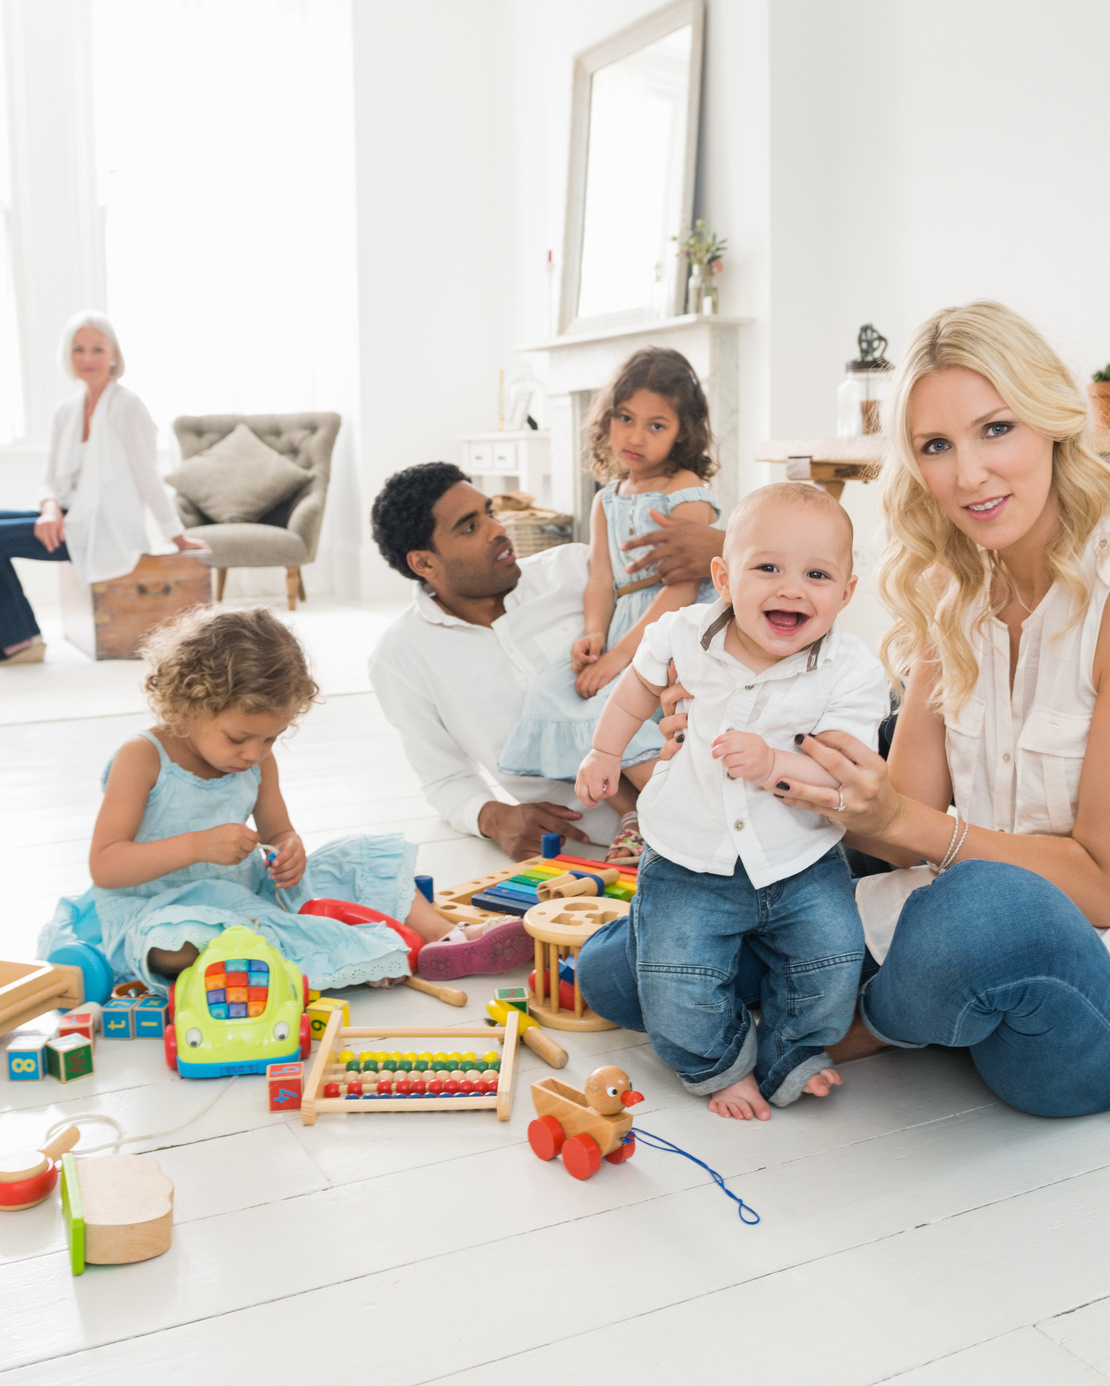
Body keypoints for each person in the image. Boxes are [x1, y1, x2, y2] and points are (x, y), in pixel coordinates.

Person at [579, 300, 1110, 1119]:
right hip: (939, 907)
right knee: (614, 970)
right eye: (937, 446)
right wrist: (751, 750)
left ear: (1052, 423)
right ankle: (859, 1002)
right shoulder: (952, 585)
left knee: (978, 913)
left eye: (996, 429)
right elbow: (895, 834)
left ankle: (857, 1026)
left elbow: (1104, 891)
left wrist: (898, 818)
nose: (968, 475)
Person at [577, 483, 886, 1118]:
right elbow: (635, 693)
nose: (791, 588)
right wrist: (606, 755)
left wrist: (775, 761)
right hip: (691, 853)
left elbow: (845, 767)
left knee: (832, 958)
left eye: (817, 574)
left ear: (847, 592)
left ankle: (794, 1050)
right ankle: (719, 1064)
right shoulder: (682, 634)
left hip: (798, 855)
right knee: (676, 975)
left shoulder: (851, 669)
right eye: (767, 567)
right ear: (724, 575)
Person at [38, 606, 460, 994]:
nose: (254, 754)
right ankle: (305, 957)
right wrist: (197, 847)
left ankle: (448, 941)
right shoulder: (144, 757)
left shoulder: (258, 760)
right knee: (178, 942)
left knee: (361, 861)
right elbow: (106, 865)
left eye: (271, 738)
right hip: (151, 908)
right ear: (190, 702)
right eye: (238, 738)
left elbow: (279, 832)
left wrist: (291, 850)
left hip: (245, 896)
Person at [367, 462, 726, 863]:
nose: (497, 529)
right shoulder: (400, 655)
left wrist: (722, 546)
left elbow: (694, 590)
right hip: (607, 853)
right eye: (470, 527)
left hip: (721, 783)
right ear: (424, 564)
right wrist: (493, 817)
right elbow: (444, 779)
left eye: (489, 512)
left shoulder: (576, 572)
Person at [498, 347, 721, 862]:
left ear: (682, 433)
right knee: (559, 698)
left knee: (628, 708)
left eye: (656, 425)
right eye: (625, 419)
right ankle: (635, 812)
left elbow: (682, 588)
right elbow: (601, 577)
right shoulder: (607, 498)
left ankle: (679, 812)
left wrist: (621, 655)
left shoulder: (686, 493)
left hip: (670, 627)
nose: (635, 436)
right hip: (623, 623)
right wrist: (595, 635)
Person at [0, 310, 205, 665]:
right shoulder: (66, 410)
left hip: (105, 527)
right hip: (71, 516)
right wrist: (50, 508)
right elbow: (50, 480)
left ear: (115, 354)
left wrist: (176, 536)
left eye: (97, 349)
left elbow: (148, 476)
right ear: (67, 356)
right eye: (78, 349)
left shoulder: (127, 406)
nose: (87, 359)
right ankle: (18, 637)